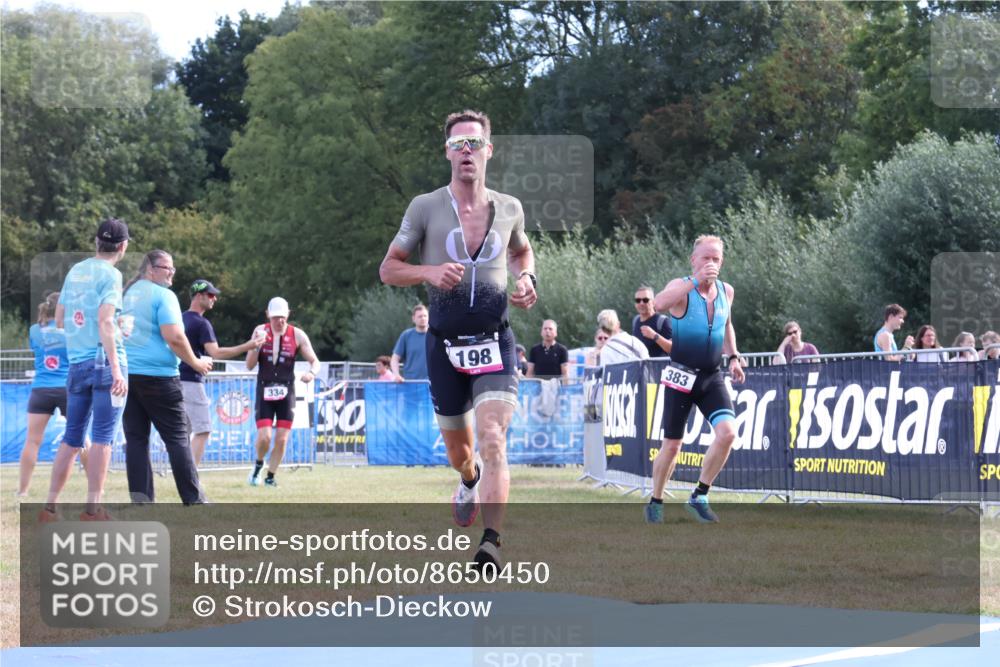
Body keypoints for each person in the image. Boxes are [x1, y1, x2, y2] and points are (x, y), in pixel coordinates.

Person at [379, 109, 537, 570]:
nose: (466, 151)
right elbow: (388, 268)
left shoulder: (509, 207)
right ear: (447, 152)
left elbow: (522, 249)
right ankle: (469, 480)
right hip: (444, 346)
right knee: (462, 453)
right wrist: (428, 271)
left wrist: (525, 277)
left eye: (474, 143)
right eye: (457, 144)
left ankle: (491, 543)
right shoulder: (424, 207)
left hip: (495, 340)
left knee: (492, 437)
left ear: (489, 150)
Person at [646, 235, 746, 525]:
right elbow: (659, 304)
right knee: (673, 445)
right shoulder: (681, 288)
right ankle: (656, 501)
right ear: (694, 260)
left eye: (716, 259)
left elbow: (727, 326)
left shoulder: (727, 291)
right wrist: (695, 279)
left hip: (711, 375)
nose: (711, 263)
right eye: (705, 258)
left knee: (727, 433)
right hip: (681, 376)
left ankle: (700, 495)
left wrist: (734, 356)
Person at [39, 218, 129, 522]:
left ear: (96, 242)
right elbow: (105, 321)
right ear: (123, 246)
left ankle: (50, 508)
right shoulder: (112, 274)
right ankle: (93, 511)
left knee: (73, 436)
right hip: (104, 362)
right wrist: (116, 367)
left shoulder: (75, 271)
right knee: (103, 437)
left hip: (77, 363)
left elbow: (61, 319)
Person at [121, 251, 213, 504]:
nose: (172, 272)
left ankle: (142, 502)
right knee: (177, 438)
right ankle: (194, 500)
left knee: (137, 441)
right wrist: (195, 362)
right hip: (159, 377)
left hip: (128, 375)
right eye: (167, 267)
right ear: (151, 269)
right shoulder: (163, 295)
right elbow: (173, 336)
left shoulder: (128, 294)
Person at [181, 279, 263, 466]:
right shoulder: (202, 323)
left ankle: (181, 476)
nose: (214, 298)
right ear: (199, 295)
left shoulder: (179, 318)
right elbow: (216, 352)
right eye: (210, 295)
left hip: (173, 380)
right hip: (191, 382)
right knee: (203, 430)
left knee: (181, 433)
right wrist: (249, 346)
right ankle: (190, 478)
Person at [246, 296, 321, 487]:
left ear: (288, 315)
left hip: (287, 391)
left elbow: (315, 361)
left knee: (281, 438)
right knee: (265, 436)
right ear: (268, 316)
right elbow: (249, 365)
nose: (279, 321)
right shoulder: (259, 331)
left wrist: (311, 373)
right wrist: (256, 347)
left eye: (282, 317)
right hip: (265, 389)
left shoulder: (298, 335)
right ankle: (258, 465)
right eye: (274, 317)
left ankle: (270, 477)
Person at [18, 293, 87, 497]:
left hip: (41, 389)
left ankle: (22, 491)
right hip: (68, 388)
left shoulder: (34, 330)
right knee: (81, 438)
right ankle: (95, 485)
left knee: (32, 441)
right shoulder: (72, 332)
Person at [391, 304, 430, 381]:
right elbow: (395, 358)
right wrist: (396, 375)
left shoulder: (435, 335)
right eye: (420, 316)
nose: (423, 318)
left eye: (425, 316)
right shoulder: (406, 335)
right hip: (411, 384)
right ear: (413, 318)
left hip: (432, 384)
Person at [632, 285, 672, 357]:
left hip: (660, 367)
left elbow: (673, 349)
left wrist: (654, 336)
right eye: (638, 300)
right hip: (640, 367)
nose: (641, 303)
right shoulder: (636, 321)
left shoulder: (662, 321)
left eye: (645, 300)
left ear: (653, 302)